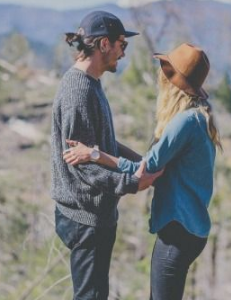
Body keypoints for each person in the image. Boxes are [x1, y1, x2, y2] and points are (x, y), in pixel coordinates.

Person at [63, 43, 223, 300]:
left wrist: (93, 154)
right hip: (192, 229)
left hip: (177, 230)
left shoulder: (184, 122)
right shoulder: (200, 116)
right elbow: (154, 164)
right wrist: (106, 149)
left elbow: (146, 168)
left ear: (174, 83)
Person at [50, 11, 163, 300]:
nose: (124, 53)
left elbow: (103, 144)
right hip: (85, 217)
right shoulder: (78, 91)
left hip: (92, 215)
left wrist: (143, 163)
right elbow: (80, 165)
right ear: (103, 45)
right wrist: (130, 182)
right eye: (121, 44)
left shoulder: (90, 83)